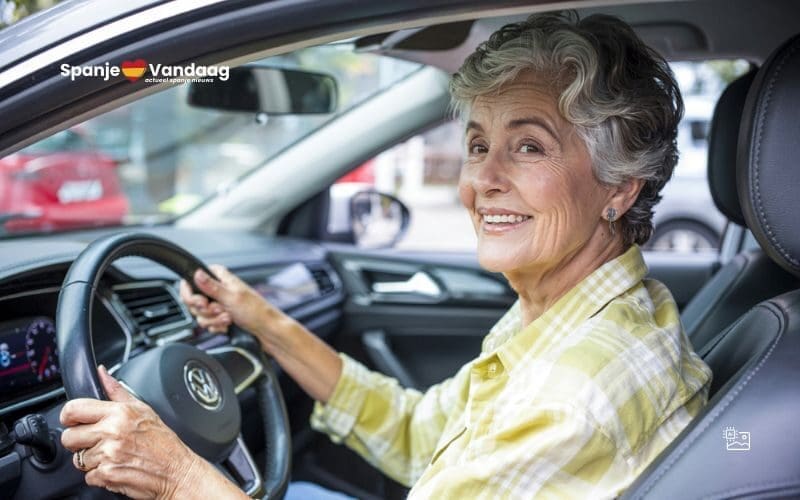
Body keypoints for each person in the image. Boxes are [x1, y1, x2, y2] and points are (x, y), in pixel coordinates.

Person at [59, 11, 712, 499]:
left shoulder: (574, 394)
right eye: (480, 145)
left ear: (618, 188)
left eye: (530, 147)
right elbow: (418, 434)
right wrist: (264, 322)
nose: (480, 182)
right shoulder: (580, 314)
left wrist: (173, 474)